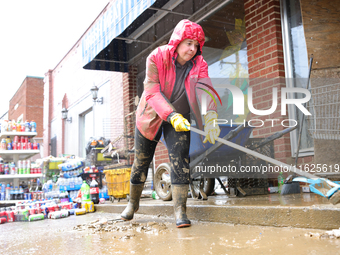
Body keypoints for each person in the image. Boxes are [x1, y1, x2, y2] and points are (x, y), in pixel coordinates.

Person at [121, 19, 220, 228]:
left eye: (196, 45)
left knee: (180, 160)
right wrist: (170, 114)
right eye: (188, 43)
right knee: (142, 161)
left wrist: (211, 117)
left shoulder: (200, 64)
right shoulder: (156, 57)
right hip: (151, 114)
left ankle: (180, 211)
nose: (193, 49)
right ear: (178, 41)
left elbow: (205, 89)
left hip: (180, 116)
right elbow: (152, 92)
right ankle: (133, 203)